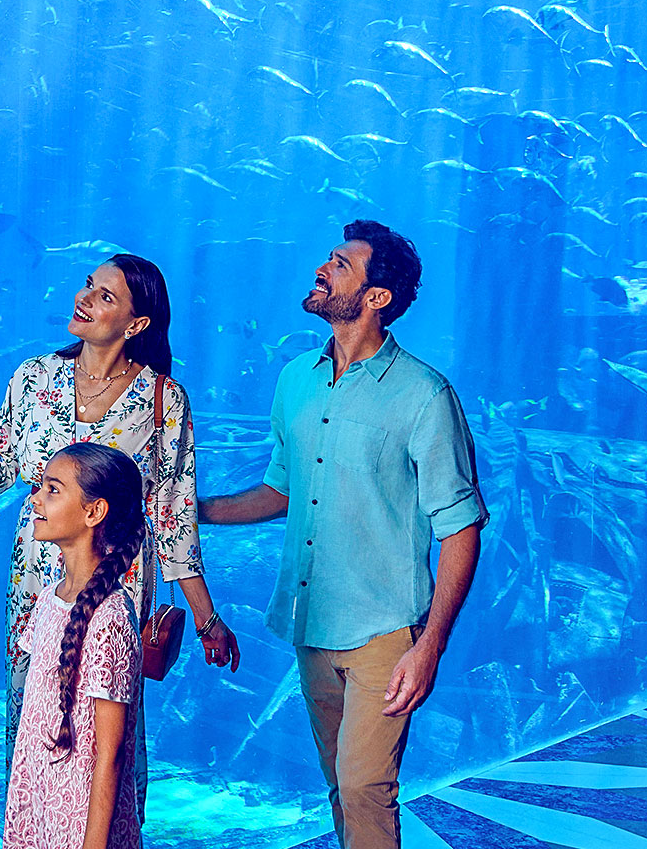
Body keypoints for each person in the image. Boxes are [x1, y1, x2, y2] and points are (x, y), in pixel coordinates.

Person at [199, 220, 486, 849]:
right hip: (311, 622)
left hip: (385, 629)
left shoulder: (425, 394)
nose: (321, 269)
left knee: (364, 787)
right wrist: (195, 511)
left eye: (339, 264)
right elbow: (281, 490)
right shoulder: (295, 380)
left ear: (377, 297)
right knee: (339, 785)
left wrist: (429, 646)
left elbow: (461, 528)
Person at [0, 253, 240, 788]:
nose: (85, 298)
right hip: (35, 577)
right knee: (33, 723)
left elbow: (173, 520)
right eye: (89, 286)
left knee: (104, 734)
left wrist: (207, 618)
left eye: (105, 296)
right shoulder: (33, 378)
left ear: (136, 324)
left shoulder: (165, 401)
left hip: (114, 585)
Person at [3, 442, 145, 849]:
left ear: (93, 512)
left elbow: (111, 754)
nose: (35, 498)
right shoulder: (49, 599)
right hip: (38, 807)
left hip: (82, 824)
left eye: (52, 489)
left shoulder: (111, 619)